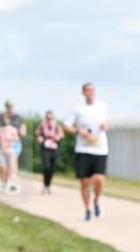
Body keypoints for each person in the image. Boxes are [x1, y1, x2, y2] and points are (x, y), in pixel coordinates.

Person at [64, 83, 110, 221]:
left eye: (92, 90)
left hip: (100, 148)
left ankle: (96, 200)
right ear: (83, 92)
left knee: (100, 179)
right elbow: (66, 126)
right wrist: (78, 131)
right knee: (85, 181)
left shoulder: (102, 106)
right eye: (87, 90)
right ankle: (87, 209)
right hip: (83, 148)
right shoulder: (77, 108)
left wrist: (105, 125)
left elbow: (107, 121)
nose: (90, 92)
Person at [36, 110, 65, 194]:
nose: (49, 119)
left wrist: (57, 137)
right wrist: (40, 138)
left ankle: (48, 185)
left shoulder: (57, 125)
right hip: (45, 148)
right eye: (47, 117)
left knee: (52, 168)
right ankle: (45, 185)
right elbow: (38, 134)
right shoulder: (42, 125)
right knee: (47, 167)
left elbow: (62, 135)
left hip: (54, 148)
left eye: (50, 117)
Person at [3, 100, 27, 192]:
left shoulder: (18, 117)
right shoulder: (3, 117)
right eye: (9, 106)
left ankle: (12, 182)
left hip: (16, 143)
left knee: (14, 163)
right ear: (6, 107)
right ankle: (5, 182)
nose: (11, 108)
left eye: (12, 106)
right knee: (6, 165)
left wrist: (22, 131)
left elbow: (23, 128)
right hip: (5, 144)